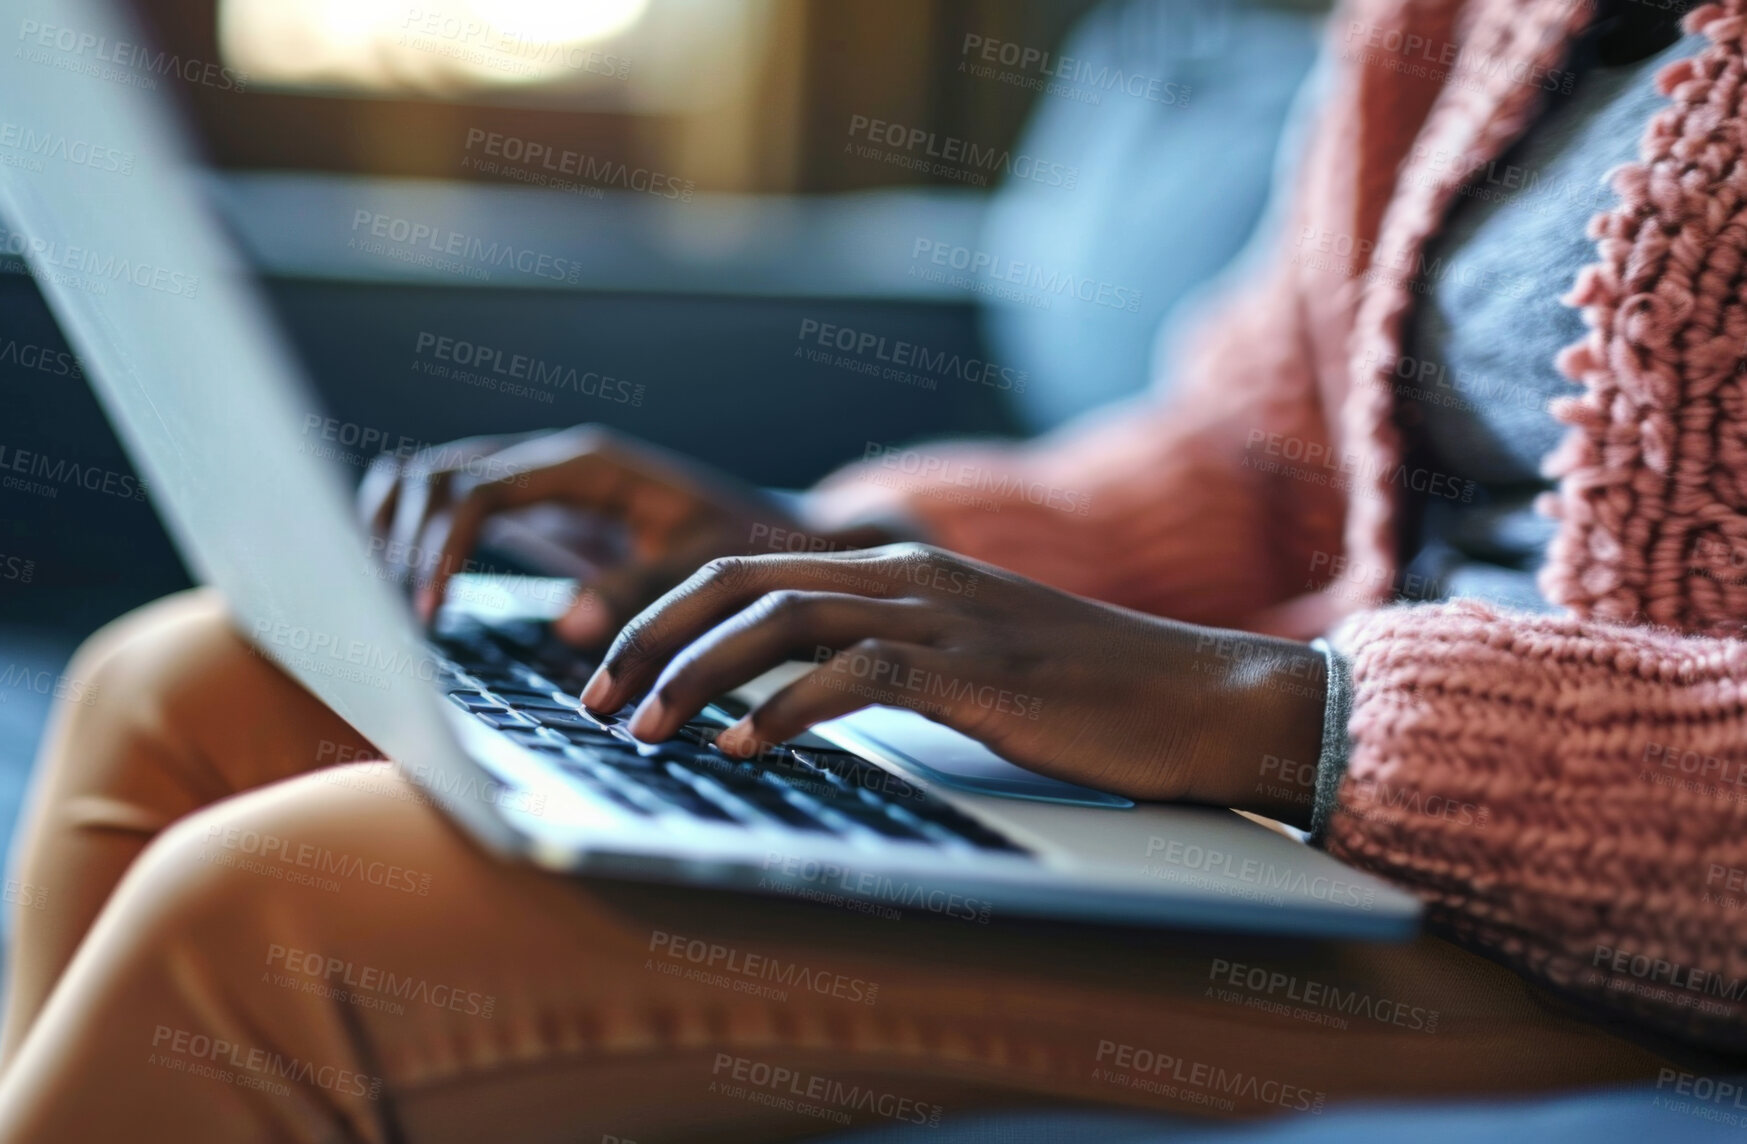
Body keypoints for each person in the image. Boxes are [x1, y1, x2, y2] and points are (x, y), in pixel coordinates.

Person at [2, 0, 1744, 1138]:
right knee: (191, 684)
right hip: (1309, 809)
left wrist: (1282, 717)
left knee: (274, 919)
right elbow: (1247, 455)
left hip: (1579, 928)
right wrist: (857, 567)